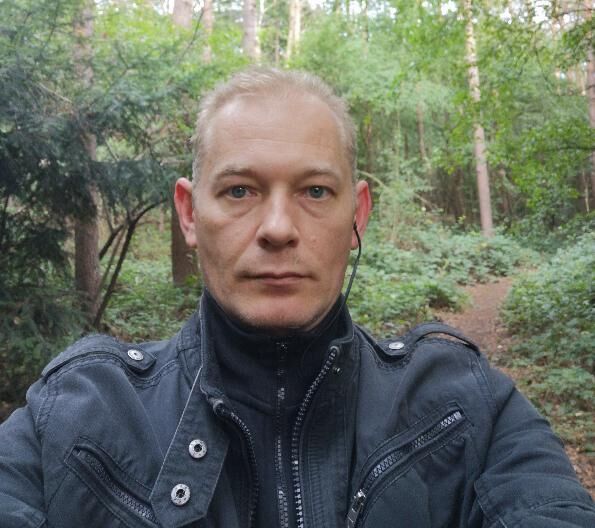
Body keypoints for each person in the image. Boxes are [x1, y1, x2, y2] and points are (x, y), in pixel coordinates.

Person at [0, 67, 593, 528]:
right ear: (189, 213)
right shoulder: (77, 415)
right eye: (239, 190)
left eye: (314, 191)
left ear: (357, 213)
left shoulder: (466, 409)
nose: (278, 228)